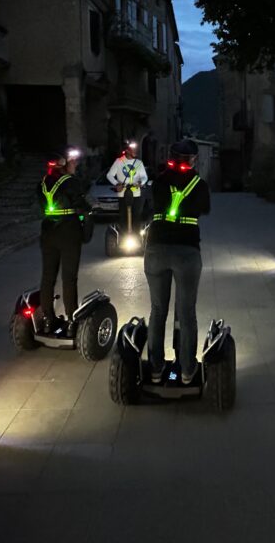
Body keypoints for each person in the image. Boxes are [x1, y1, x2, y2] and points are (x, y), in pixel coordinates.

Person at [145, 140, 211, 385]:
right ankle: (186, 369)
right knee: (186, 312)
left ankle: (154, 367)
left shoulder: (159, 181)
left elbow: (152, 205)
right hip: (186, 251)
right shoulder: (200, 184)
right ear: (193, 159)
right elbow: (205, 209)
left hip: (156, 249)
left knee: (158, 310)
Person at [38, 146, 91, 335]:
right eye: (73, 161)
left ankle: (47, 319)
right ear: (63, 164)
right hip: (69, 231)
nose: (75, 164)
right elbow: (82, 205)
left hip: (48, 231)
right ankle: (71, 321)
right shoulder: (70, 182)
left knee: (48, 277)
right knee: (69, 278)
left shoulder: (43, 182)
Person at [106, 140, 148, 237]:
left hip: (136, 193)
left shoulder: (138, 163)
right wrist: (117, 184)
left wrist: (141, 182)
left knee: (136, 217)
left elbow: (144, 176)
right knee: (123, 217)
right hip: (123, 193)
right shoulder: (119, 161)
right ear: (127, 150)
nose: (135, 151)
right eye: (133, 149)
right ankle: (124, 237)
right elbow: (109, 175)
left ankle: (136, 237)